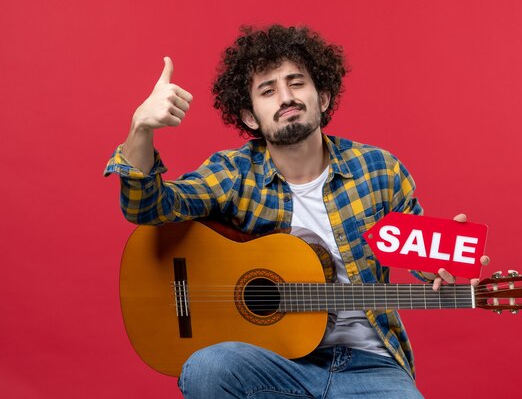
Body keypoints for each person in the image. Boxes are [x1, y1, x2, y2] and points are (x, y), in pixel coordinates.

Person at [105, 25, 489, 399]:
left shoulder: (378, 169)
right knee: (206, 368)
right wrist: (140, 129)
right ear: (250, 117)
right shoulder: (235, 173)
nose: (285, 97)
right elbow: (150, 207)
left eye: (296, 82)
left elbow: (423, 258)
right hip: (273, 363)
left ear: (322, 97)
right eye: (268, 90)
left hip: (370, 366)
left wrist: (447, 262)